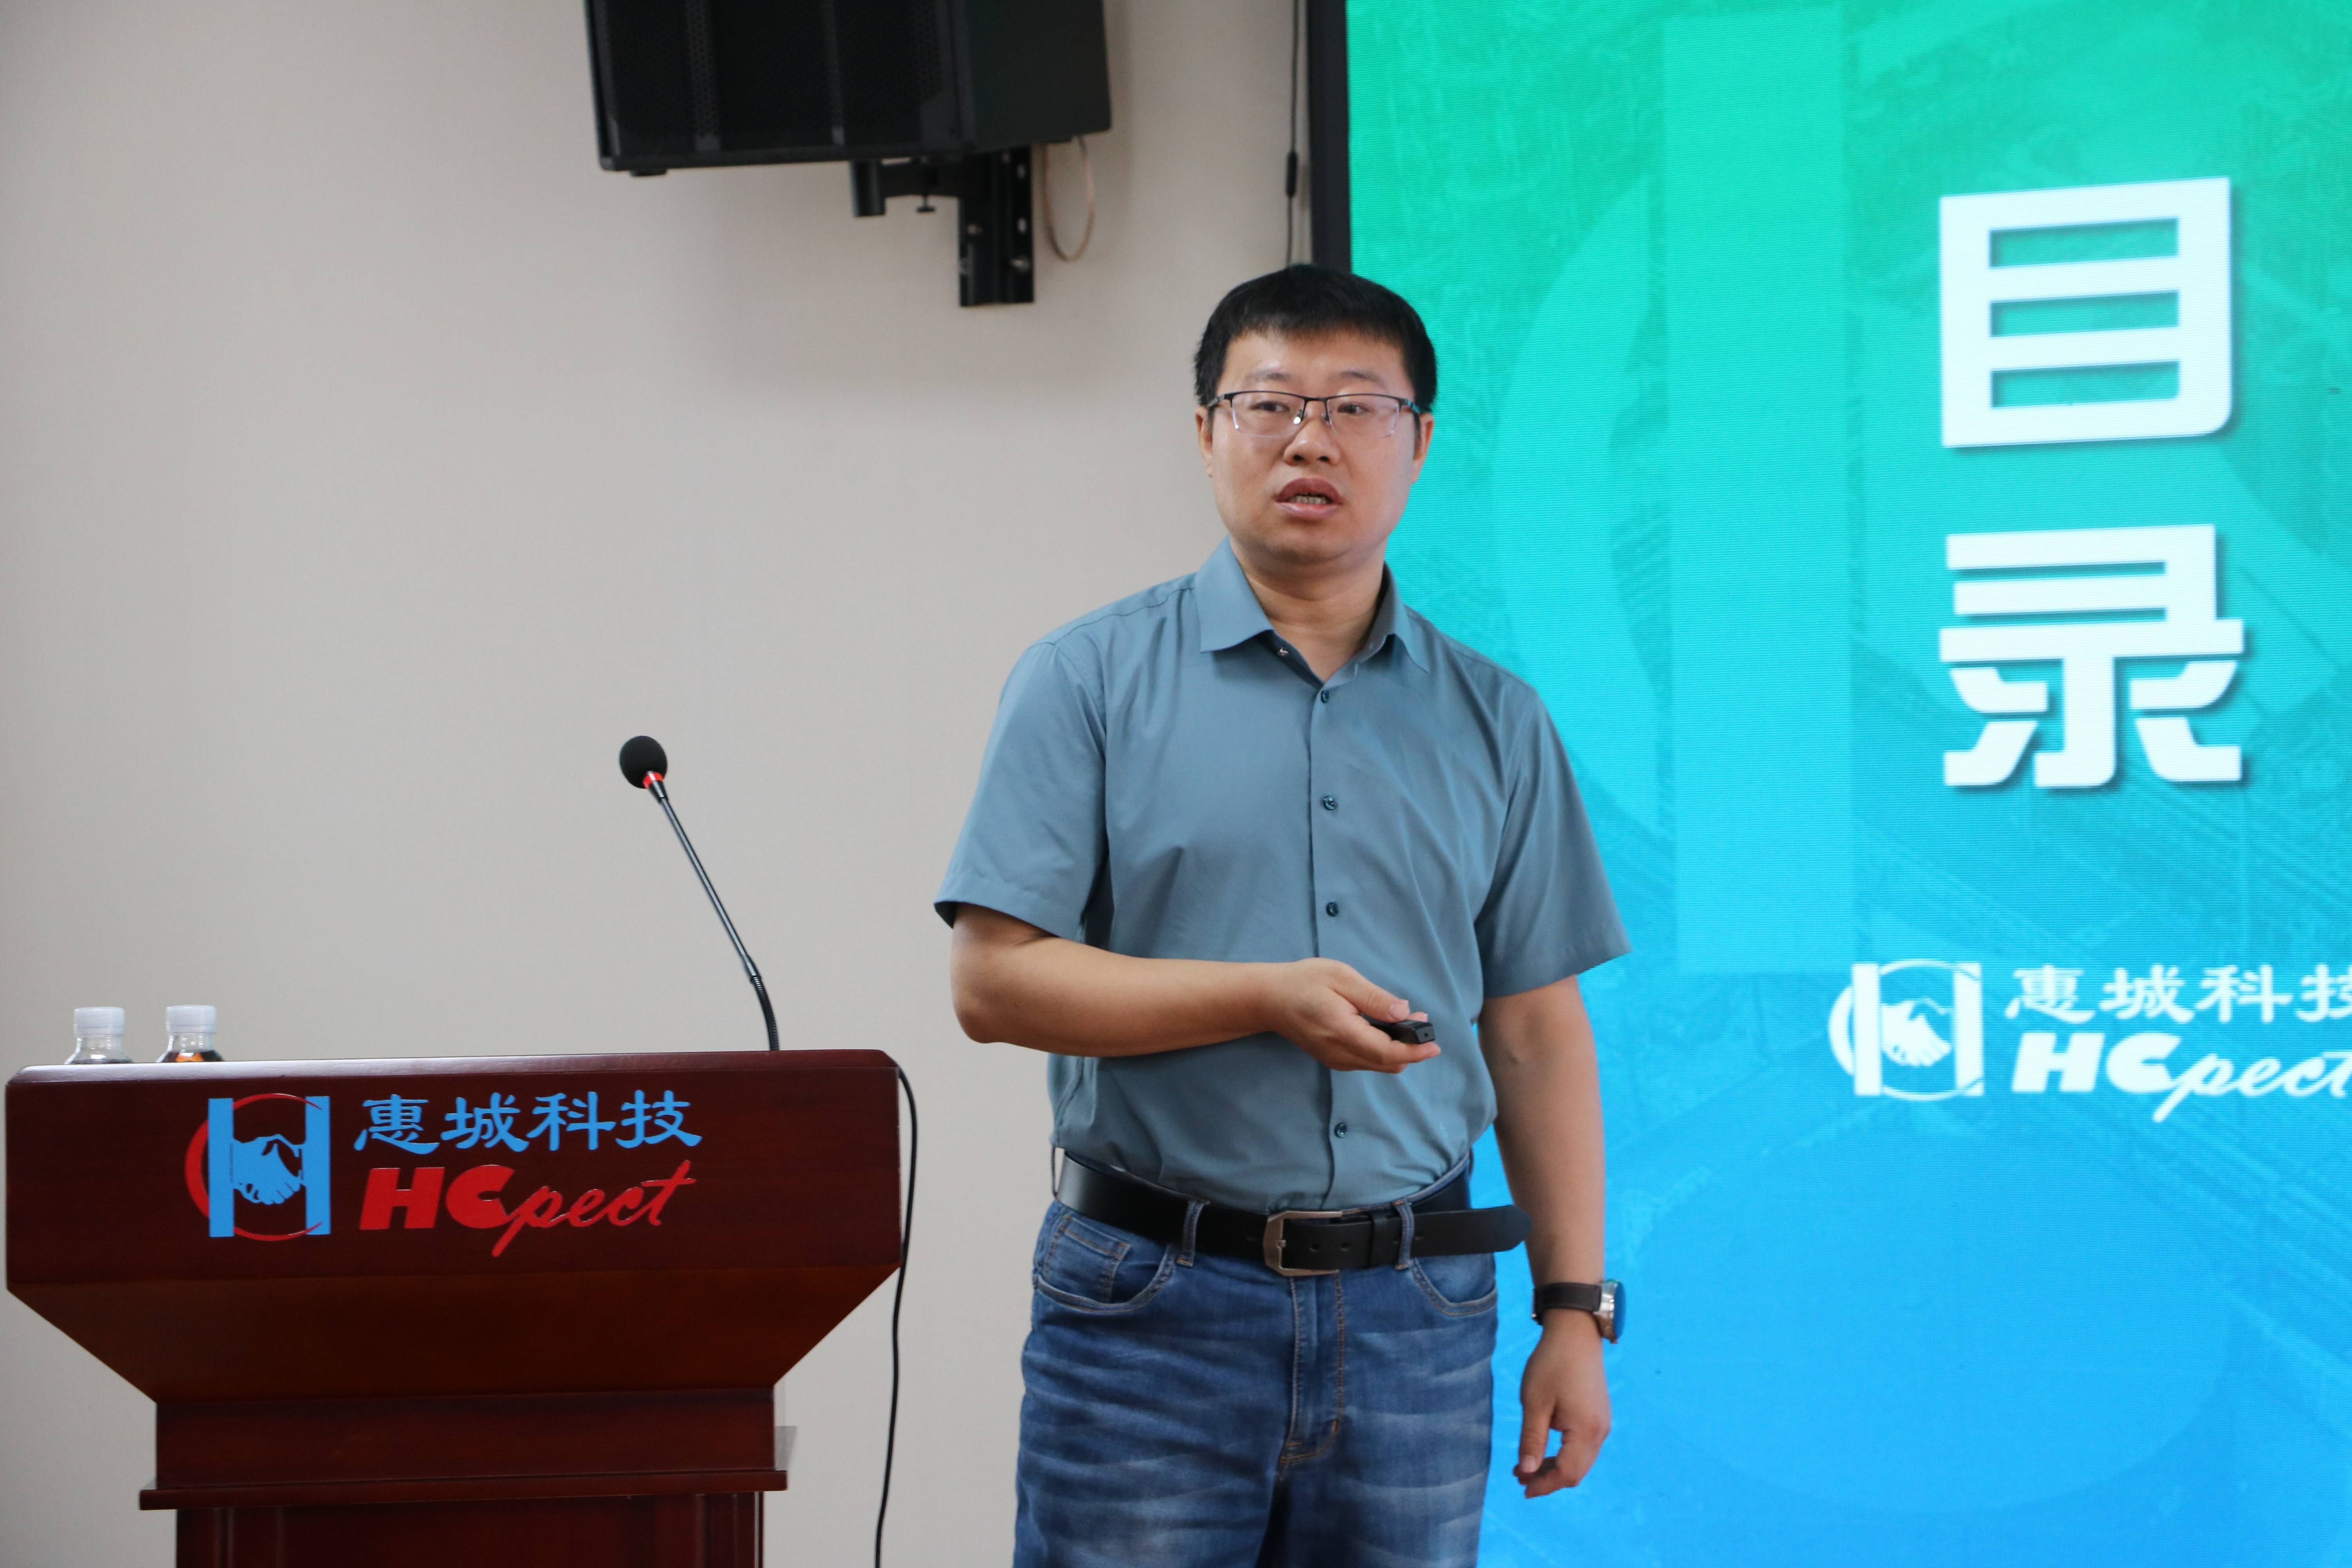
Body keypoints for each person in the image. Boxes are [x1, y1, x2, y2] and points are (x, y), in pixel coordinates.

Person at [937, 263, 1628, 1567]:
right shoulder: (1086, 681)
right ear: (1207, 433)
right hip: (1152, 1302)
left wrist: (1575, 1311)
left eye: (1358, 407)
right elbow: (994, 983)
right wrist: (1262, 996)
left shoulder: (1497, 719)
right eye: (1270, 404)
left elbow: (1536, 1032)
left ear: (1419, 444)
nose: (1312, 439)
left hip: (1420, 1313)